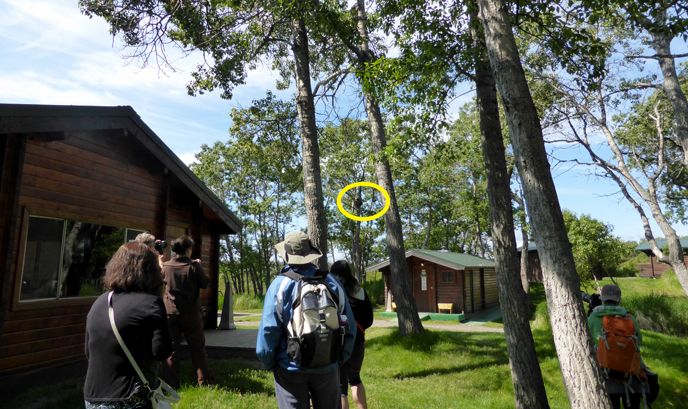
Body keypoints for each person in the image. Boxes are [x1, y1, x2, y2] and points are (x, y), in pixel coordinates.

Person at [257, 231, 357, 409]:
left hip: (289, 368)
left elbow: (268, 331)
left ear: (287, 255)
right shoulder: (332, 282)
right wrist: (339, 358)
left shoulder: (279, 286)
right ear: (310, 253)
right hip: (328, 367)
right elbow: (349, 326)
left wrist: (272, 363)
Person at [84, 241, 172, 409]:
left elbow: (88, 351)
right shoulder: (151, 302)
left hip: (93, 397)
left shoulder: (100, 302)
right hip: (130, 397)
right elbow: (161, 351)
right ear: (151, 271)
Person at [161, 236, 214, 388]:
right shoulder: (193, 266)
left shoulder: (166, 266)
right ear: (188, 249)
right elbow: (205, 283)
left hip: (170, 313)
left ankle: (171, 384)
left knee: (172, 350)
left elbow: (160, 280)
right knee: (197, 348)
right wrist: (198, 266)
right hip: (191, 313)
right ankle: (205, 382)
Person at [588, 284, 649, 409]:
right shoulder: (629, 317)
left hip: (606, 374)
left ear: (602, 299)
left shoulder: (593, 317)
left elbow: (587, 341)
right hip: (630, 373)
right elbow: (639, 341)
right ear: (619, 300)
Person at [331, 260, 374, 409]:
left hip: (340, 343)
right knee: (355, 379)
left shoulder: (334, 291)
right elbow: (369, 320)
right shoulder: (360, 291)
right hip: (358, 342)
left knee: (342, 388)